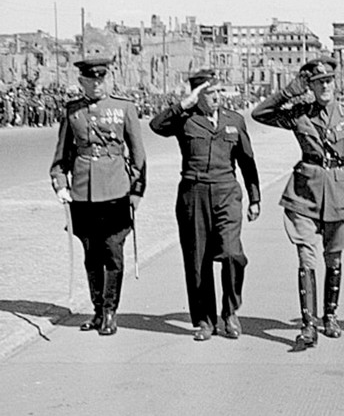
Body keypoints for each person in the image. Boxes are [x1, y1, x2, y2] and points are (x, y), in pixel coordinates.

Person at [252, 57, 344, 349]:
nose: (324, 87)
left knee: (334, 256)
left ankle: (329, 316)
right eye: (317, 83)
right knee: (306, 256)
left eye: (328, 81)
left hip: (340, 194)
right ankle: (308, 325)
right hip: (304, 194)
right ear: (311, 86)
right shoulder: (298, 113)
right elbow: (260, 113)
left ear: (335, 83)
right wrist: (289, 90)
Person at [149, 70, 260, 341]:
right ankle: (204, 321)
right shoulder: (185, 120)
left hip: (226, 192)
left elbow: (247, 161)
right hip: (193, 193)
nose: (217, 98)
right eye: (210, 93)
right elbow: (156, 125)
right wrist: (183, 105)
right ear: (197, 96)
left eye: (219, 92)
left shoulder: (234, 120)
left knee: (233, 254)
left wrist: (255, 197)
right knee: (197, 260)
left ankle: (230, 312)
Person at [49, 57, 146, 336]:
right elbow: (61, 157)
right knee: (91, 254)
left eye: (101, 79)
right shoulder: (72, 111)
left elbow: (138, 155)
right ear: (82, 82)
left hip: (116, 191)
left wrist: (136, 191)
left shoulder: (124, 107)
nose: (97, 84)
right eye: (91, 80)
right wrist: (60, 184)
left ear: (108, 78)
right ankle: (96, 310)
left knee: (113, 253)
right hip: (82, 193)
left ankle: (110, 312)